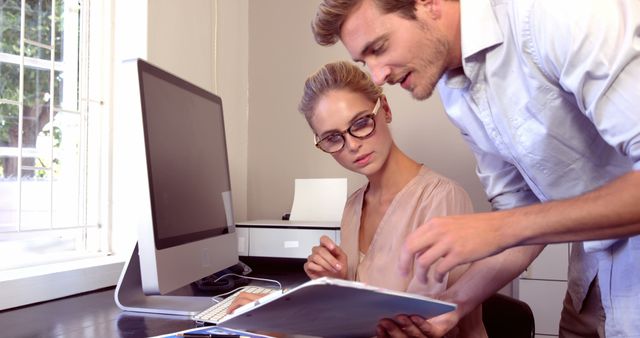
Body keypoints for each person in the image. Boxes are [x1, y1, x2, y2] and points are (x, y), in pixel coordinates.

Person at [310, 0, 640, 337]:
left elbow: (513, 225)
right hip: (590, 279)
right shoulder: (456, 93)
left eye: (379, 48)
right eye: (365, 61)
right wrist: (452, 305)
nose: (378, 75)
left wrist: (500, 227)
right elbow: (523, 211)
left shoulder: (555, 14)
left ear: (429, 4)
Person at [229, 60, 487, 337]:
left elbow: (415, 326)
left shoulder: (441, 198)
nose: (352, 145)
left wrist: (280, 320)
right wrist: (337, 283)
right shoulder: (353, 206)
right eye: (332, 138)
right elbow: (358, 318)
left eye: (361, 123)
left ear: (385, 109)